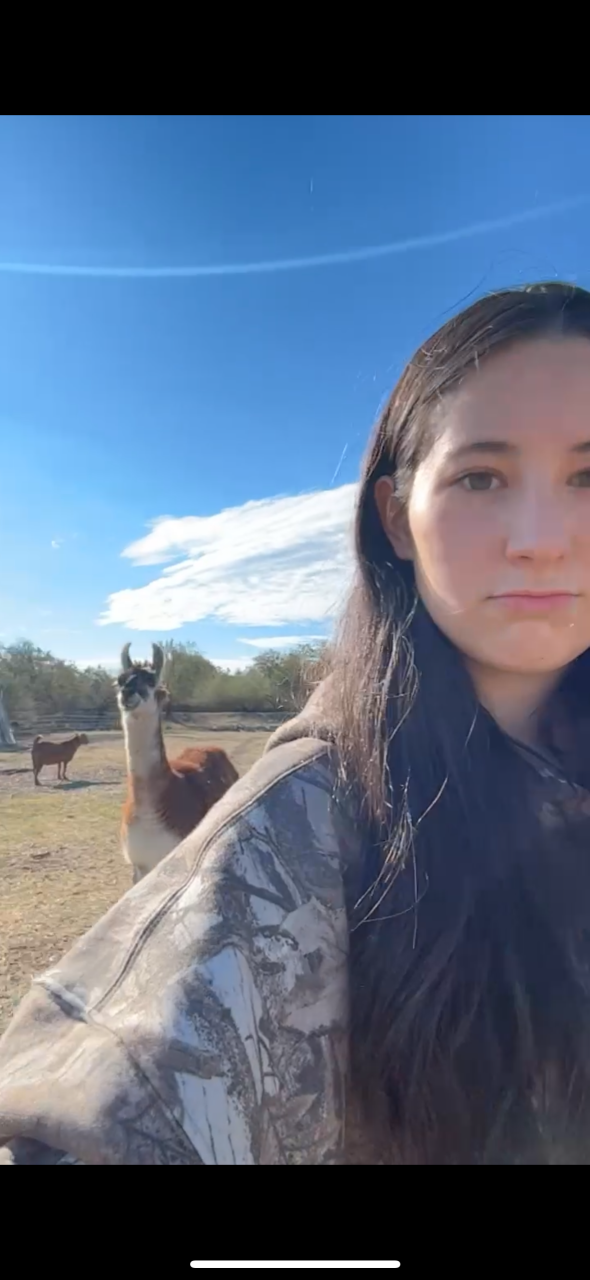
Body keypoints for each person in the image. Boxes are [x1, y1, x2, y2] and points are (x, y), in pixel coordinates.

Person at [3, 280, 590, 1165]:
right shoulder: (310, 823)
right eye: (481, 477)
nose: (541, 538)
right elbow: (130, 1094)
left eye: (589, 475)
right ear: (395, 518)